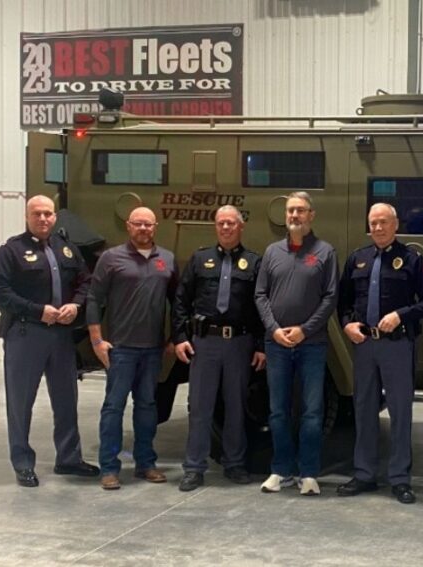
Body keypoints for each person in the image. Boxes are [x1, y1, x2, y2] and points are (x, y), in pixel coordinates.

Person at [0, 195, 100, 487]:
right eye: (37, 214)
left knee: (66, 398)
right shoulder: (11, 251)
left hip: (61, 336)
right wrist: (38, 311)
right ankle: (23, 463)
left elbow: (86, 281)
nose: (43, 219)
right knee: (21, 402)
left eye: (48, 214)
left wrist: (75, 305)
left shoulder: (65, 248)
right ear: (27, 217)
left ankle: (69, 458)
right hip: (26, 334)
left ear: (54, 217)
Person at [335, 203, 423, 504]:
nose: (378, 228)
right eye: (373, 223)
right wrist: (346, 325)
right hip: (365, 345)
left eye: (384, 222)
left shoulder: (411, 259)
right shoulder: (358, 259)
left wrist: (401, 315)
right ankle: (364, 473)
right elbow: (343, 302)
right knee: (364, 409)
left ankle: (400, 478)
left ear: (396, 225)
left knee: (400, 412)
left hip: (397, 344)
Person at [172, 206, 265, 491]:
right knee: (200, 407)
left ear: (241, 227)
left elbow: (261, 307)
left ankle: (234, 463)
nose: (226, 228)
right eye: (221, 223)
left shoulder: (254, 263)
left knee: (236, 406)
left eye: (231, 223)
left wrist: (261, 346)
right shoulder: (200, 259)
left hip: (239, 343)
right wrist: (179, 337)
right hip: (205, 344)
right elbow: (180, 301)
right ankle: (194, 467)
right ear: (215, 227)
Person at [87, 207, 178, 490]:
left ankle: (146, 464)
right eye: (138, 224)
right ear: (128, 226)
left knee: (147, 407)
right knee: (113, 408)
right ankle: (110, 468)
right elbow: (93, 299)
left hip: (153, 350)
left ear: (155, 227)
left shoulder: (168, 259)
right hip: (121, 349)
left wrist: (175, 337)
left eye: (148, 224)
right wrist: (97, 340)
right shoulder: (111, 258)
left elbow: (177, 303)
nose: (143, 229)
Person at [254, 192, 338, 496]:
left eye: (301, 211)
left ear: (311, 215)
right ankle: (281, 470)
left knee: (312, 411)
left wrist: (304, 330)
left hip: (311, 344)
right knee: (278, 411)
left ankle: (309, 473)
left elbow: (330, 297)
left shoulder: (325, 252)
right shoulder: (272, 252)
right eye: (290, 210)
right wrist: (274, 330)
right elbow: (260, 295)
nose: (294, 216)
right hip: (276, 345)